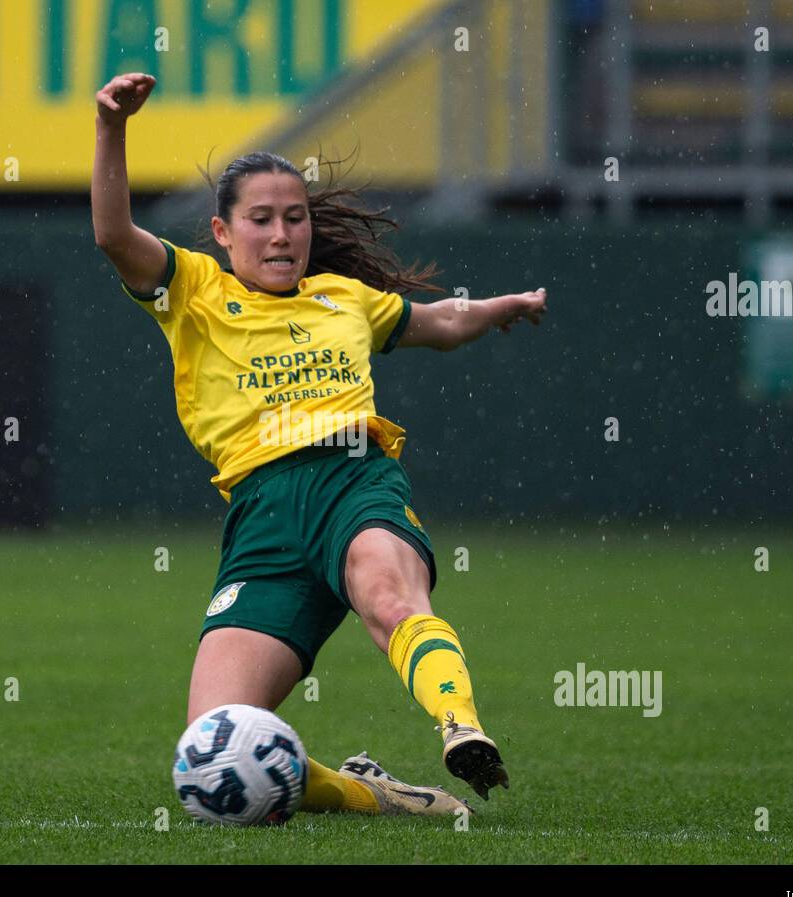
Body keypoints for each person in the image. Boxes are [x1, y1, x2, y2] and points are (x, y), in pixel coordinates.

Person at [92, 72, 546, 816]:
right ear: (221, 231)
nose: (282, 234)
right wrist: (112, 126)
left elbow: (440, 324)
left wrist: (502, 308)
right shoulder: (194, 288)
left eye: (295, 218)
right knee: (211, 746)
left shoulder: (345, 298)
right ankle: (366, 793)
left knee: (388, 597)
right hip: (262, 520)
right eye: (263, 219)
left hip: (352, 481)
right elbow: (113, 235)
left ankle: (459, 724)